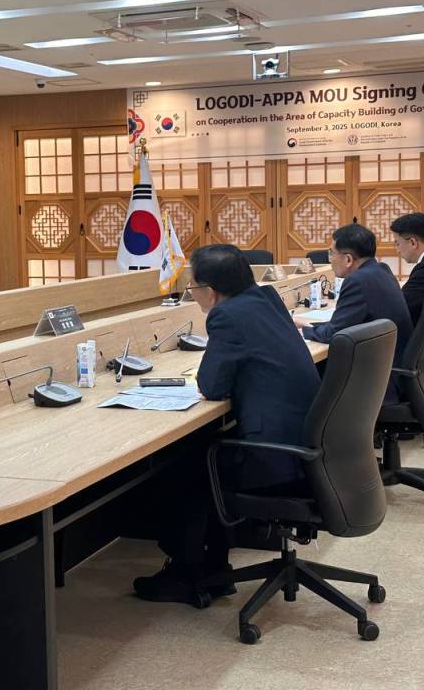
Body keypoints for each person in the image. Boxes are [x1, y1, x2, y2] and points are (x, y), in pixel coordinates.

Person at [133, 244, 321, 605]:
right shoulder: (266, 298)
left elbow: (212, 386)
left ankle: (186, 574)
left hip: (275, 458)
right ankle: (214, 569)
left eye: (193, 287)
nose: (193, 295)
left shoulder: (227, 316)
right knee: (201, 452)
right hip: (302, 443)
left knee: (184, 464)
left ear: (211, 291)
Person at [294, 223, 412, 404]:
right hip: (392, 370)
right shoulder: (381, 269)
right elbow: (347, 324)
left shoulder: (357, 281)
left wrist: (302, 331)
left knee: (300, 371)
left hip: (377, 381)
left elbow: (333, 334)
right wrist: (309, 325)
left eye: (331, 253)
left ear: (348, 259)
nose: (330, 259)